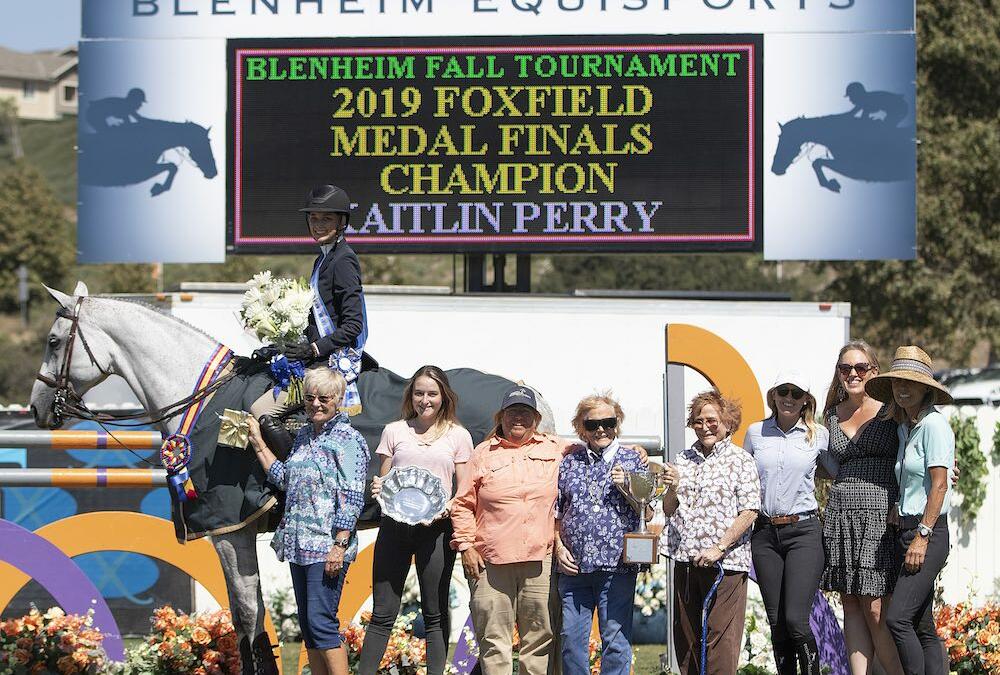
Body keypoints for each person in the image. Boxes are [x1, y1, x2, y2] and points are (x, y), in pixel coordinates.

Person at [246, 367, 369, 675]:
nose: (315, 403)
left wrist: (339, 544)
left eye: (323, 398)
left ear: (339, 399)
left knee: (322, 623)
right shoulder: (302, 435)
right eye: (310, 397)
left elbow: (352, 497)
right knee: (310, 627)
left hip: (327, 547)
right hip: (299, 546)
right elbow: (285, 478)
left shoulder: (349, 440)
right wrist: (259, 443)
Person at [358, 366, 474, 675]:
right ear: (411, 395)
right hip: (394, 530)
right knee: (382, 613)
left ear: (444, 397)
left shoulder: (459, 436)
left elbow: (465, 489)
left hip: (435, 531)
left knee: (434, 614)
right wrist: (378, 487)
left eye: (432, 393)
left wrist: (447, 507)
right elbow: (385, 480)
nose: (425, 400)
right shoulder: (394, 430)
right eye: (419, 393)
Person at [449, 385, 570, 675]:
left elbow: (595, 449)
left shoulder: (557, 449)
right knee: (493, 641)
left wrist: (635, 452)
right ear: (500, 416)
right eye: (512, 411)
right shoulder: (482, 453)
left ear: (537, 419)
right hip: (490, 561)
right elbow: (462, 504)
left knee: (539, 639)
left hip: (540, 559)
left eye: (525, 412)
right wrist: (466, 546)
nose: (519, 418)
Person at [866, 346, 954, 675]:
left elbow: (939, 485)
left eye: (910, 383)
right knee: (921, 626)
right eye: (897, 383)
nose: (902, 389)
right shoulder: (905, 427)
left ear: (925, 388)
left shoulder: (934, 426)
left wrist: (922, 535)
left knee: (897, 618)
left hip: (927, 534)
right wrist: (898, 506)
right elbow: (913, 479)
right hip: (906, 529)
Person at [662, 389, 760, 675]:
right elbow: (669, 509)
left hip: (725, 563)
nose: (704, 427)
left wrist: (720, 547)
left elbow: (750, 510)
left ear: (727, 422)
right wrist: (673, 487)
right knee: (687, 637)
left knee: (720, 638)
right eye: (697, 421)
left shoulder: (741, 460)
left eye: (711, 421)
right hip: (686, 558)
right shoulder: (682, 459)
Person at [820, 341, 904, 675]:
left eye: (860, 368)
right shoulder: (830, 415)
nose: (852, 374)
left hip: (880, 514)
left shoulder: (891, 409)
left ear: (874, 371)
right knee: (851, 604)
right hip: (841, 513)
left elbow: (919, 448)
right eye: (845, 368)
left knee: (875, 608)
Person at [745, 372, 834, 675]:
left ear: (806, 400)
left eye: (796, 393)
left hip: (804, 532)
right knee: (777, 623)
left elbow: (839, 471)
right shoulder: (755, 433)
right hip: (765, 534)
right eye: (783, 391)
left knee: (796, 620)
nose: (789, 398)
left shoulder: (818, 435)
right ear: (773, 395)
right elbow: (740, 476)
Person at [555, 393, 647, 674]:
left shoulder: (634, 461)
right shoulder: (569, 461)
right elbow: (557, 512)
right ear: (581, 427)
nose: (601, 430)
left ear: (617, 423)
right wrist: (558, 548)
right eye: (592, 424)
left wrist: (629, 488)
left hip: (617, 566)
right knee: (571, 640)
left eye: (608, 422)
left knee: (616, 642)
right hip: (574, 568)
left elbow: (649, 512)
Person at [282, 184, 371, 415]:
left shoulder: (343, 260)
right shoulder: (322, 259)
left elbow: (353, 326)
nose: (318, 225)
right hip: (318, 357)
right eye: (313, 218)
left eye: (326, 219)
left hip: (330, 362)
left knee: (265, 409)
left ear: (342, 223)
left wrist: (312, 349)